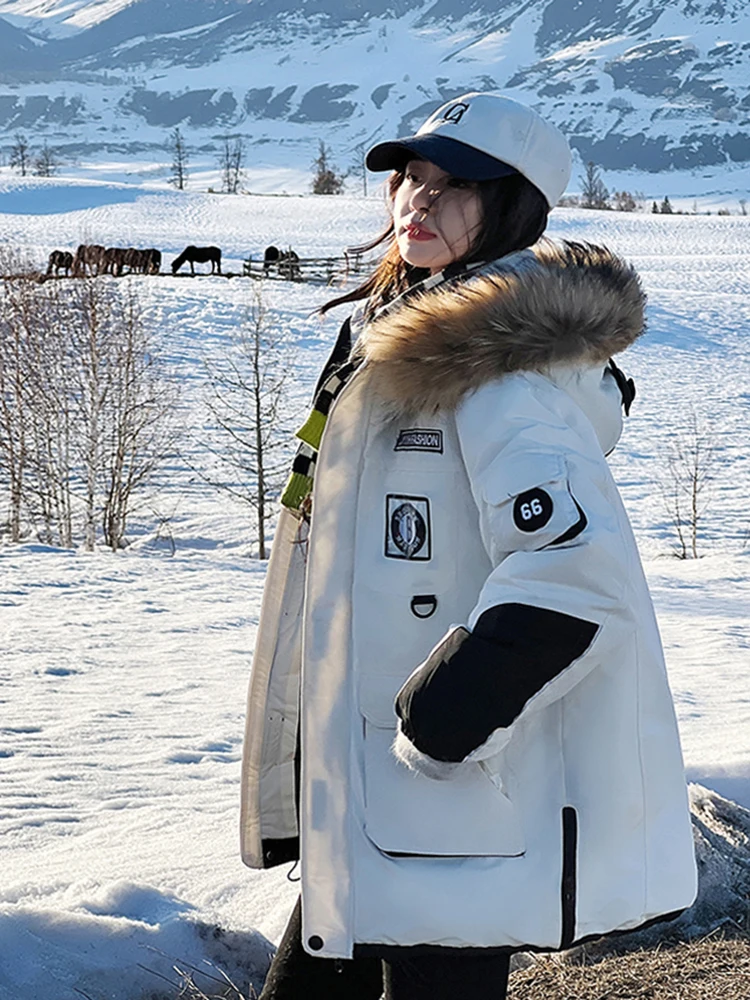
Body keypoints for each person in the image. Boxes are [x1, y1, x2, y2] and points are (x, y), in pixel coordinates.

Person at [240, 92, 697, 1000]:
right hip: (377, 789)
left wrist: (442, 721)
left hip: (444, 793)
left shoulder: (499, 378)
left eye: (455, 185)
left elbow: (576, 574)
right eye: (411, 176)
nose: (417, 199)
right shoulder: (392, 350)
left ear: (513, 208)